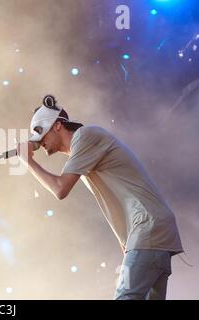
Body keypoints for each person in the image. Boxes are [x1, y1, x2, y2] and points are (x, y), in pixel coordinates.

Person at [16, 94, 183, 300]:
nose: (39, 142)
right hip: (153, 233)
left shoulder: (85, 135)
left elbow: (60, 189)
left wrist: (28, 163)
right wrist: (127, 245)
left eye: (41, 134)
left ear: (58, 125)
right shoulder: (83, 154)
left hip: (148, 229)